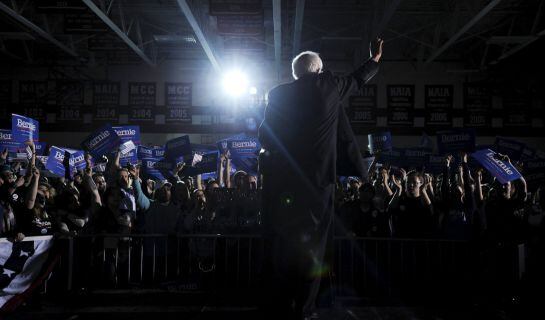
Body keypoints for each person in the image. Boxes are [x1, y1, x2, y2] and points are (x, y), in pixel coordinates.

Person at [258, 39, 383, 320]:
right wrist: (374, 59)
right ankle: (305, 308)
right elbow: (357, 79)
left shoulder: (277, 95)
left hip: (284, 184)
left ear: (295, 73)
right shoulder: (328, 87)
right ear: (318, 70)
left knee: (284, 242)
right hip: (318, 182)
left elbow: (265, 136)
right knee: (314, 245)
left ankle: (279, 303)